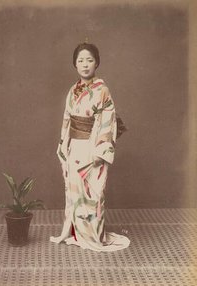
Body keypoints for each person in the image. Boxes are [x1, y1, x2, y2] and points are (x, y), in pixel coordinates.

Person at [50, 42, 130, 252]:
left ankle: (93, 236)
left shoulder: (102, 90)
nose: (85, 65)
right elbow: (67, 119)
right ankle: (77, 233)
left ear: (97, 63)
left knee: (93, 193)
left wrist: (101, 150)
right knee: (75, 191)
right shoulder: (73, 91)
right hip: (74, 145)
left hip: (92, 146)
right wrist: (63, 144)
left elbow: (107, 120)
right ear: (75, 64)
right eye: (80, 60)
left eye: (89, 60)